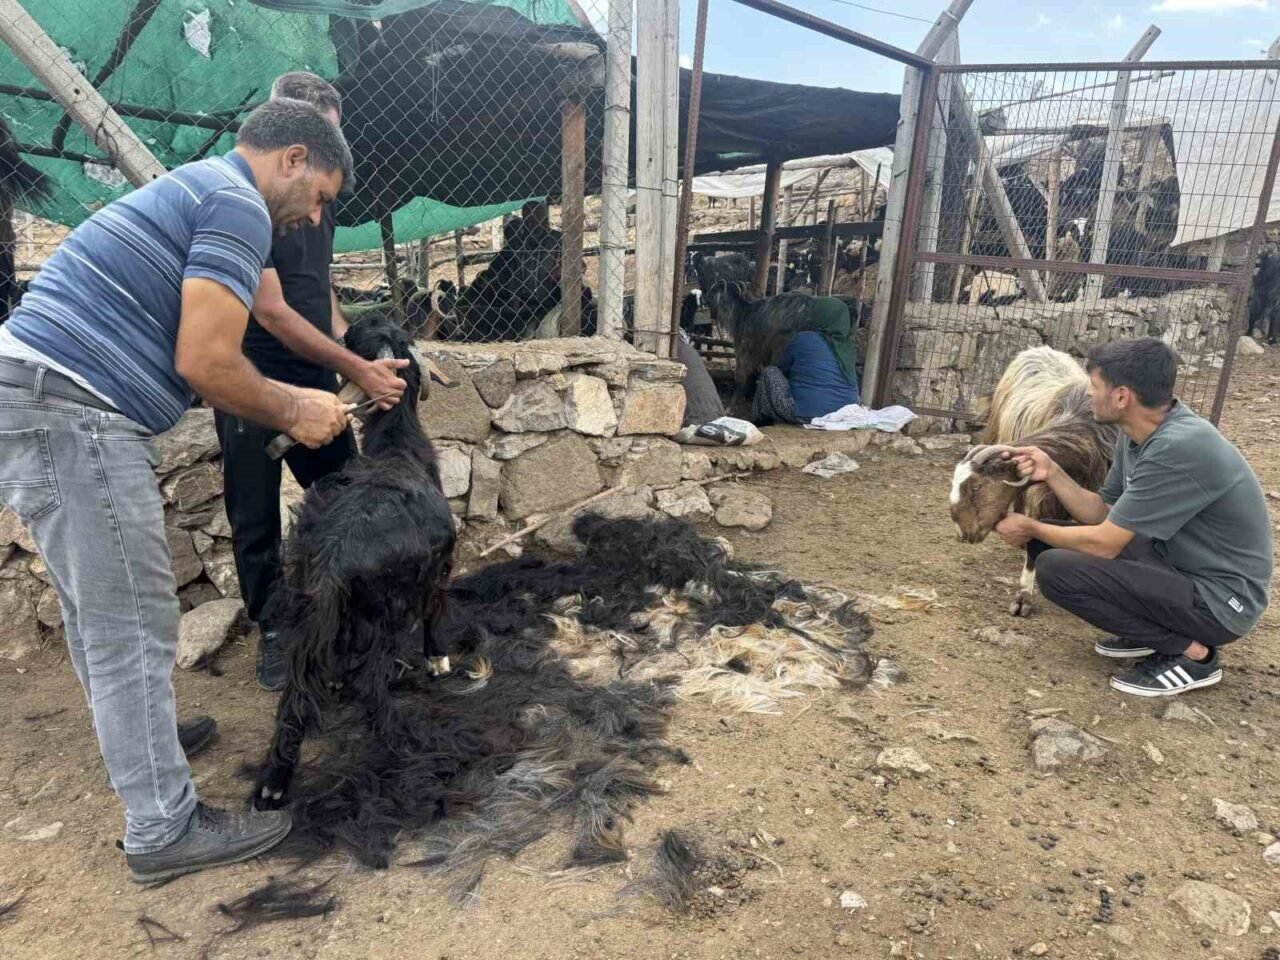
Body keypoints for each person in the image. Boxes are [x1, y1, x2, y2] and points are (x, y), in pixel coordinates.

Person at [0, 98, 355, 882]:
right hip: (72, 407)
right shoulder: (237, 205)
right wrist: (299, 409)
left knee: (101, 613)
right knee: (132, 620)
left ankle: (146, 745)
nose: (314, 217)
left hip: (41, 394)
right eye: (320, 196)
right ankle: (163, 828)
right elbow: (208, 362)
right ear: (294, 158)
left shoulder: (201, 187)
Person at [220, 73, 407, 692]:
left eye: (335, 138)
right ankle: (275, 628)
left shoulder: (318, 200)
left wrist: (351, 344)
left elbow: (317, 286)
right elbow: (271, 310)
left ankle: (348, 607)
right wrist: (356, 369)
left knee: (344, 493)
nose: (333, 154)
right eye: (322, 140)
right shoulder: (249, 201)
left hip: (314, 369)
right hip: (253, 374)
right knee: (253, 510)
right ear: (289, 141)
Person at [994, 338, 1273, 697]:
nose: (1089, 394)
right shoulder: (1138, 435)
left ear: (1122, 397)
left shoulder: (1177, 447)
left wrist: (1030, 525)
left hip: (1221, 602)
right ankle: (1154, 628)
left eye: (1094, 386)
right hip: (1181, 569)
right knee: (1047, 541)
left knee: (1054, 570)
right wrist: (1051, 472)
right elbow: (1103, 511)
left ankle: (1193, 654)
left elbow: (1105, 543)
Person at [753, 298, 859, 425]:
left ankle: (760, 422)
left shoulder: (803, 338)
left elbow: (782, 367)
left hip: (807, 414)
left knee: (770, 372)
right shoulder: (847, 348)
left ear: (820, 316)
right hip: (845, 414)